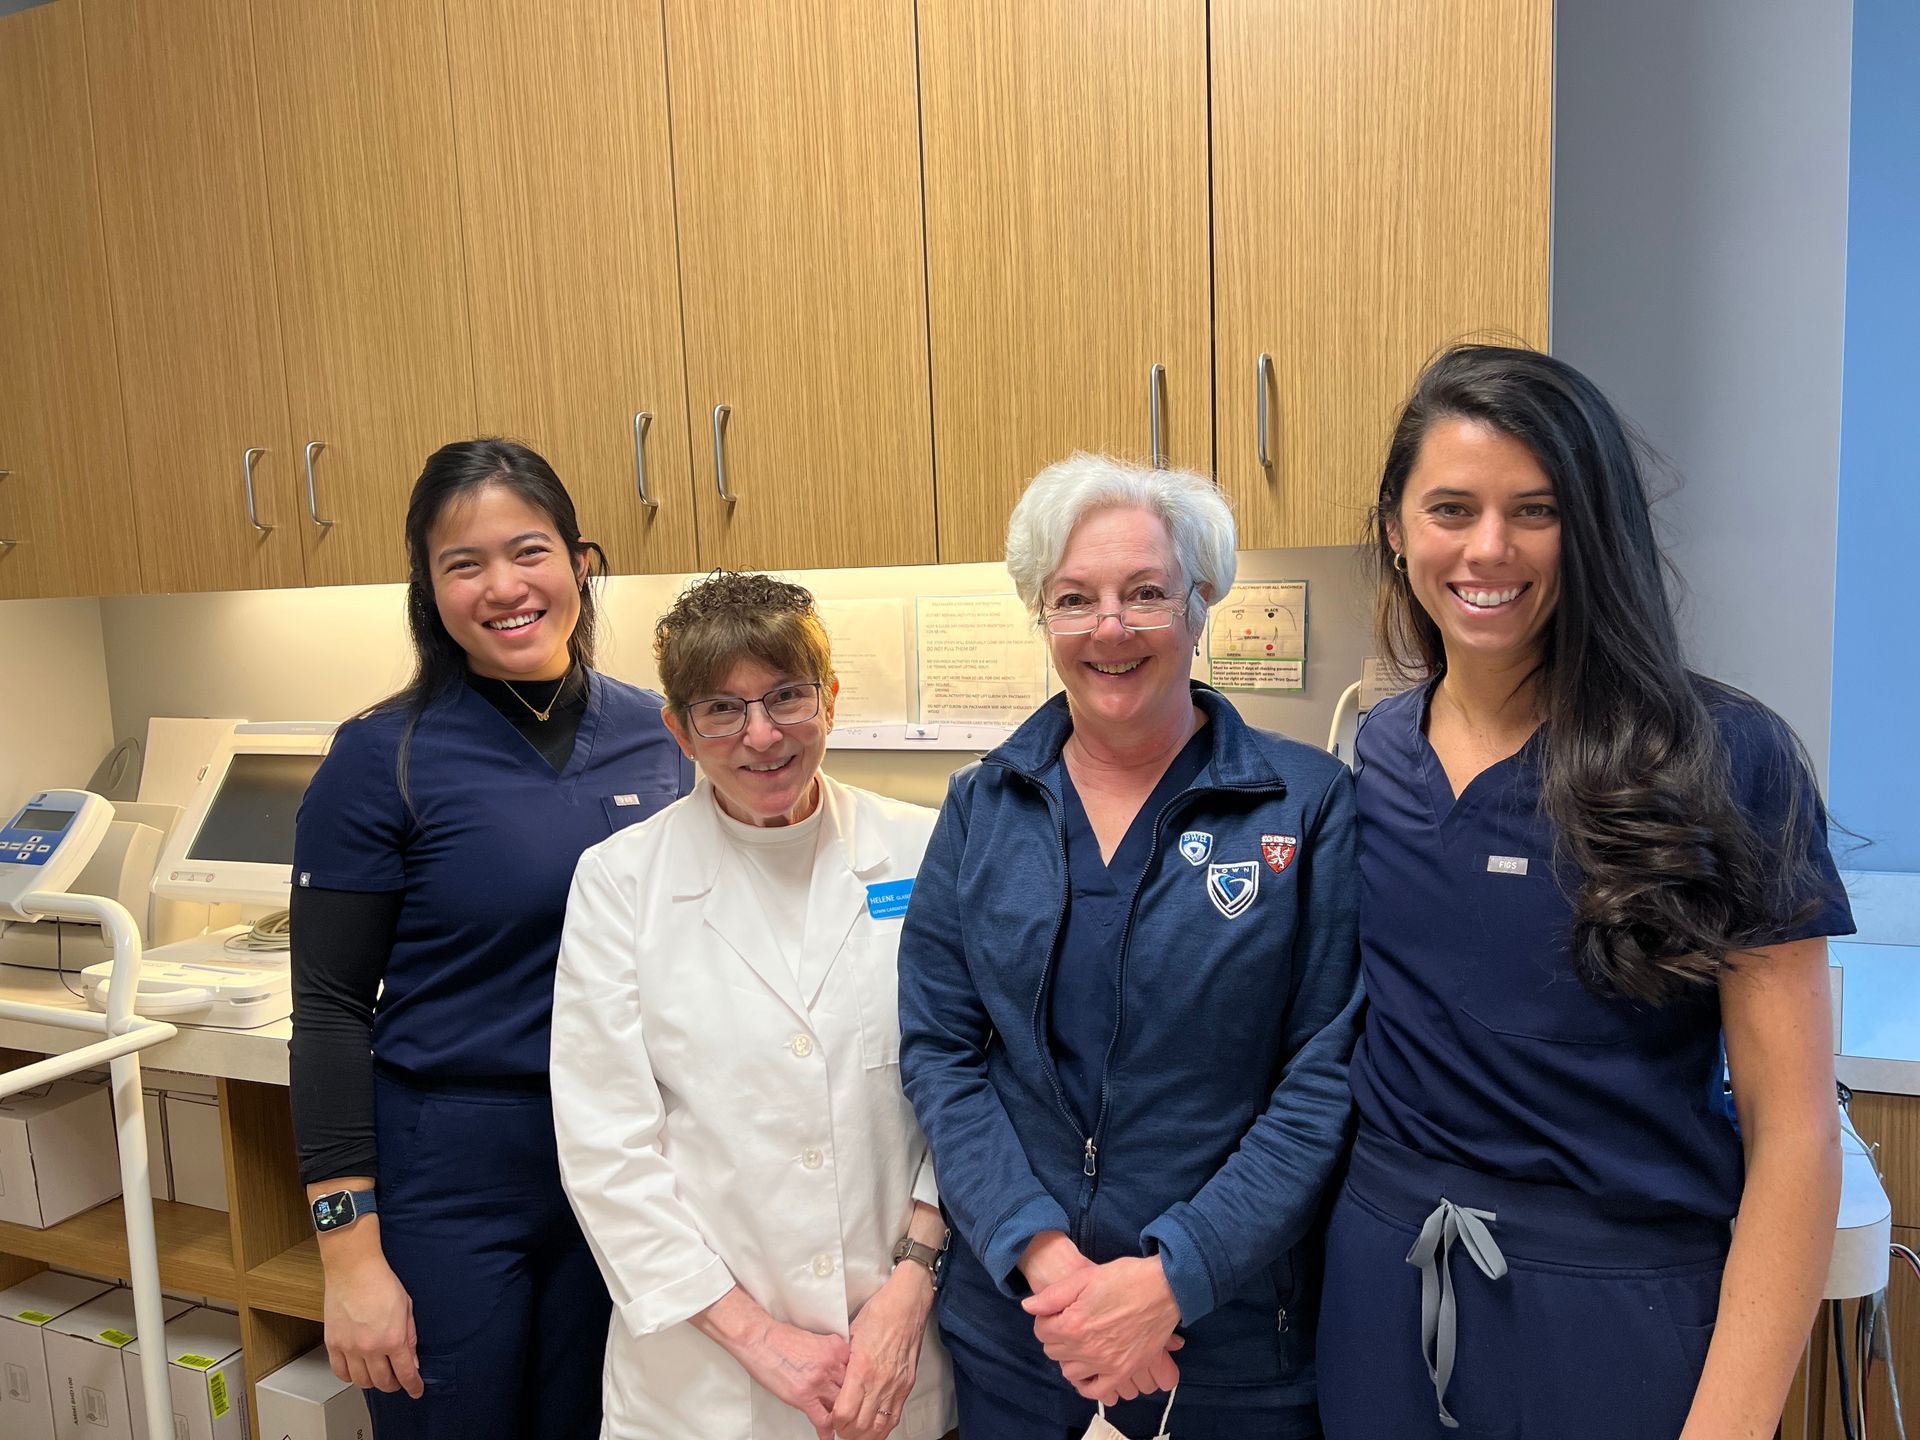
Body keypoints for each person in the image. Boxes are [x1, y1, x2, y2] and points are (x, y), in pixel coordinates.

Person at [1315, 345, 1855, 1439]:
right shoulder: (1376, 753)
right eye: (1451, 508)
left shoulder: (1723, 760)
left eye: (1536, 510)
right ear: (1394, 527)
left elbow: (1796, 1134)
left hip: (1615, 1310)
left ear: (1593, 527)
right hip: (1378, 1289)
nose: (1488, 549)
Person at [897, 455, 1362, 1440]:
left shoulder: (1306, 807)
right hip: (1024, 1330)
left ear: (1201, 606)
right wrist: (1046, 1262)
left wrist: (1171, 1281)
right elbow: (942, 1053)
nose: (1110, 628)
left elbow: (1321, 1082)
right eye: (1075, 599)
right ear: (1044, 616)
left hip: (1225, 1344)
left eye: (1145, 593)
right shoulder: (983, 807)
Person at [289, 438, 692, 1439]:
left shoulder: (664, 734)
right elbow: (330, 1013)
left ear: (579, 562)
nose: (505, 587)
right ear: (430, 591)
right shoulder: (381, 757)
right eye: (463, 564)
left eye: (529, 550)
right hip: (453, 1174)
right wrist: (349, 1257)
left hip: (625, 1166)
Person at [549, 570, 956, 1440]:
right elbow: (605, 1149)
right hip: (703, 1385)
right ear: (679, 731)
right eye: (721, 710)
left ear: (832, 699)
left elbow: (971, 1087)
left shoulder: (924, 853)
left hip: (895, 1355)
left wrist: (910, 1288)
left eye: (787, 697)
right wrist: (761, 1339)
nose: (761, 735)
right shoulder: (620, 884)